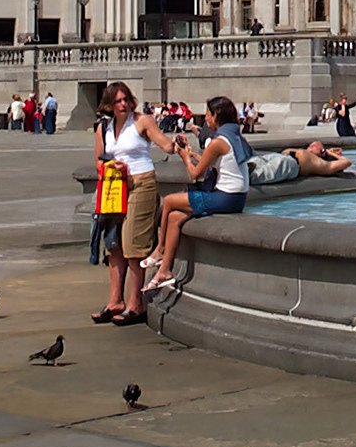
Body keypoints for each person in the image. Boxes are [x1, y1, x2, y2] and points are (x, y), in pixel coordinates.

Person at [143, 96, 252, 291]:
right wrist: (192, 154)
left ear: (215, 116)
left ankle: (160, 249)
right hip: (236, 197)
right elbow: (214, 163)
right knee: (174, 218)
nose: (206, 118)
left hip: (226, 198)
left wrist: (184, 157)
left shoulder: (218, 142)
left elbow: (195, 174)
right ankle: (165, 271)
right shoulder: (233, 136)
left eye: (208, 114)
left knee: (169, 201)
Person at [92, 81, 175, 326]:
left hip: (141, 184)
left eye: (126, 99)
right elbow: (99, 161)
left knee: (133, 244)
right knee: (114, 245)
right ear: (109, 104)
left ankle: (135, 304)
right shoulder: (103, 127)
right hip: (115, 187)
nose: (123, 105)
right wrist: (111, 166)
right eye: (118, 101)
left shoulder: (143, 121)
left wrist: (176, 145)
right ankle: (115, 301)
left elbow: (165, 144)